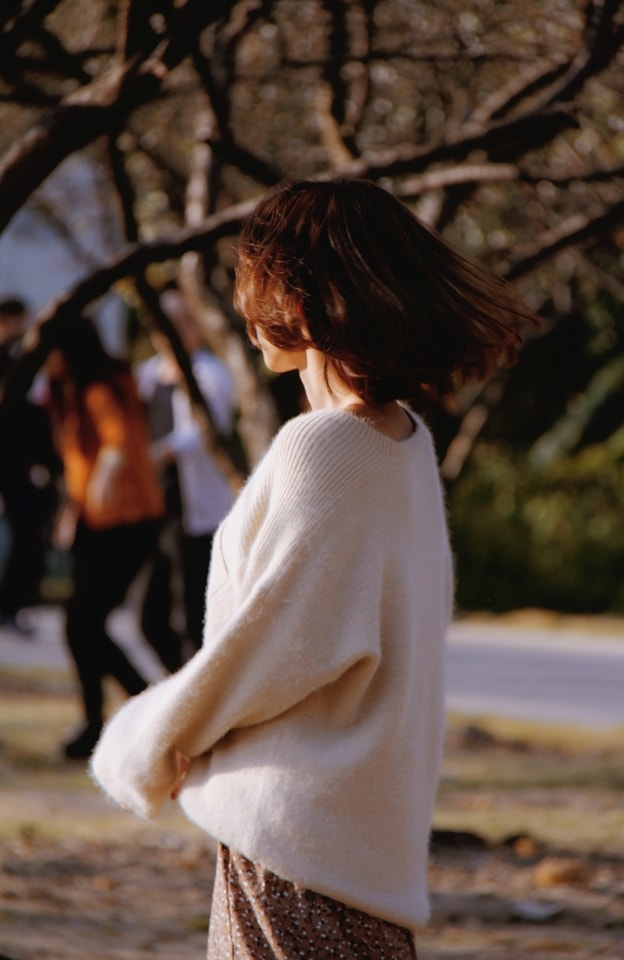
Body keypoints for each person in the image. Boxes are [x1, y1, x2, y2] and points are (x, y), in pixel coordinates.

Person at [90, 178, 538, 959]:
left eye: (253, 280)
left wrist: (141, 744)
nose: (242, 305)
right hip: (357, 855)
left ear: (303, 296)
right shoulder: (401, 439)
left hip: (296, 855)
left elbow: (267, 650)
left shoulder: (326, 448)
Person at [44, 315, 166, 759]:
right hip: (98, 523)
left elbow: (117, 441)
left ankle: (139, 710)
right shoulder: (75, 394)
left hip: (128, 521)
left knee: (84, 622)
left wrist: (103, 480)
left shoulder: (100, 389)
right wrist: (73, 509)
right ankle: (109, 717)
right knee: (82, 625)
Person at [136, 289, 236, 667]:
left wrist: (162, 451)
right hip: (155, 509)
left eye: (182, 322)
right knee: (151, 618)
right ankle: (179, 696)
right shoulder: (147, 374)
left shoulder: (209, 373)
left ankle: (197, 707)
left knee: (194, 615)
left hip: (196, 514)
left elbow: (207, 428)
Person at [0, 297, 60, 635]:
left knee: (29, 534)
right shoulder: (12, 360)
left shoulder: (25, 357)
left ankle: (13, 604)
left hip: (24, 462)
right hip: (11, 461)